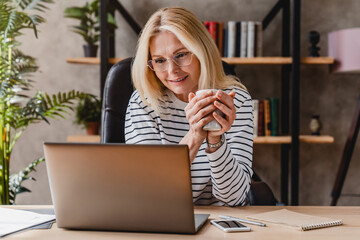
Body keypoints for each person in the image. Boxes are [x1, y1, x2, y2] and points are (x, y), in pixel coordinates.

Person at [125, 7, 253, 206]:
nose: (172, 70)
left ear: (202, 51)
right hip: (163, 220)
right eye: (159, 60)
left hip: (219, 226)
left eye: (181, 55)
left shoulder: (236, 100)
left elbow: (234, 199)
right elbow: (148, 193)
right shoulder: (143, 103)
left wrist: (215, 141)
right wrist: (194, 136)